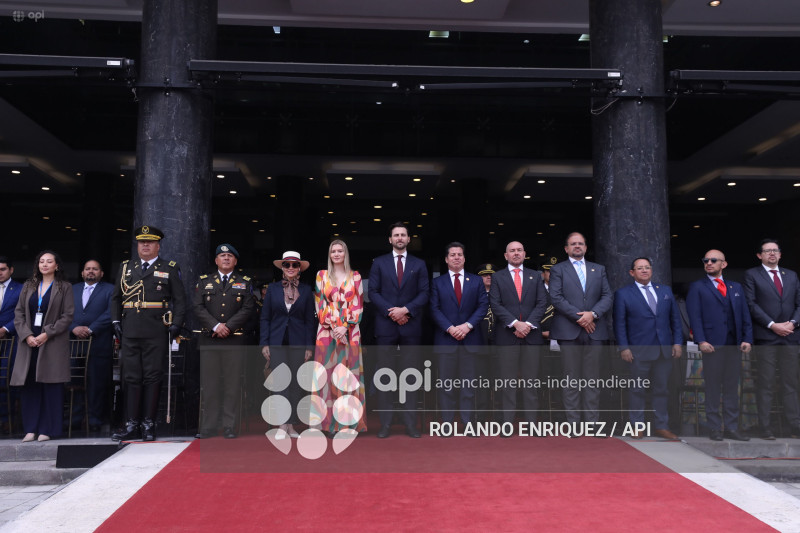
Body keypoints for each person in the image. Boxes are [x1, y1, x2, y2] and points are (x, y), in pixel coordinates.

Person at [110, 225, 186, 442]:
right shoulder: (126, 267)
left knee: (153, 376)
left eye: (150, 242)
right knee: (131, 376)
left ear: (158, 245)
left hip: (156, 329)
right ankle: (131, 423)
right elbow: (116, 298)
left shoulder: (169, 267)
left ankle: (148, 423)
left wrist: (176, 324)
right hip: (130, 328)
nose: (145, 245)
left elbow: (180, 300)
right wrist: (115, 321)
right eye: (142, 242)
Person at [368, 222, 430, 439]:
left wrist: (406, 310)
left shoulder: (419, 264)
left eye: (403, 235)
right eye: (396, 235)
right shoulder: (379, 263)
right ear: (390, 239)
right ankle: (385, 424)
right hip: (386, 327)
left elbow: (424, 293)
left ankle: (410, 424)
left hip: (410, 327)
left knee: (410, 377)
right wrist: (392, 312)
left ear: (409, 239)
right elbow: (373, 292)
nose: (400, 238)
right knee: (385, 377)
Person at [686, 249, 753, 441]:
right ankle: (715, 427)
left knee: (732, 387)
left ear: (724, 264)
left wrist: (747, 338)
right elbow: (695, 316)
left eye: (713, 260)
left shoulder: (735, 287)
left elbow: (745, 315)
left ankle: (732, 427)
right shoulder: (697, 287)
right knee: (713, 387)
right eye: (705, 260)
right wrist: (701, 340)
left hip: (734, 344)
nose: (709, 263)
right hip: (711, 345)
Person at [613, 257, 683, 440]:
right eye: (640, 268)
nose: (644, 270)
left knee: (662, 389)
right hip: (638, 350)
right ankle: (637, 426)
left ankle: (662, 426)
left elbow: (675, 320)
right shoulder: (623, 294)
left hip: (663, 349)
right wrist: (624, 348)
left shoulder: (665, 291)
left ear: (652, 270)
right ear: (632, 272)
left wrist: (677, 343)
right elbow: (619, 324)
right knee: (637, 389)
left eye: (647, 267)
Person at [548, 232, 613, 426]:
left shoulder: (598, 269)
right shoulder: (558, 269)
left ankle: (592, 423)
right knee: (571, 379)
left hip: (594, 331)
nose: (577, 246)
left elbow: (607, 296)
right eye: (573, 244)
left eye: (580, 243)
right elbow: (556, 297)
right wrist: (582, 317)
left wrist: (593, 314)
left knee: (592, 379)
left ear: (585, 247)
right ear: (566, 248)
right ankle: (573, 423)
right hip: (568, 331)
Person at [11, 251, 74, 442]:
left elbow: (68, 316)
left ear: (57, 266)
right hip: (29, 342)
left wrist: (47, 333)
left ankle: (48, 429)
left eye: (49, 261)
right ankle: (31, 428)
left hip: (51, 341)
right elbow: (19, 313)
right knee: (30, 385)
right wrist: (27, 335)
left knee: (51, 385)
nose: (44, 264)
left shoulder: (64, 287)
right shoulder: (28, 285)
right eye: (41, 261)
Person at [194, 244, 256, 439]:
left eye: (230, 256)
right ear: (216, 260)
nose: (226, 258)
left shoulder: (244, 282)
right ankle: (209, 426)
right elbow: (197, 307)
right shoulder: (204, 281)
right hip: (209, 340)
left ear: (235, 261)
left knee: (232, 385)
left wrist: (227, 326)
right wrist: (215, 326)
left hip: (234, 340)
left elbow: (248, 308)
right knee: (210, 385)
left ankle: (230, 426)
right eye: (222, 256)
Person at [743, 239, 800, 439]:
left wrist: (793, 323)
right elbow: (751, 304)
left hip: (790, 336)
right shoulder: (752, 275)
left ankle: (794, 426)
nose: (772, 254)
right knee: (765, 383)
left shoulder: (791, 275)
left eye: (775, 250)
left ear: (780, 254)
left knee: (790, 382)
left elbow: (799, 304)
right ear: (760, 255)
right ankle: (765, 427)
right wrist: (772, 325)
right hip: (767, 336)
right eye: (767, 251)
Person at [488, 241, 547, 425]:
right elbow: (495, 304)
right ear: (506, 255)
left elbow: (542, 303)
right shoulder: (497, 277)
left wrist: (527, 325)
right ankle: (508, 423)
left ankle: (532, 423)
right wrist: (515, 324)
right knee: (508, 383)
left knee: (531, 382)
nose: (516, 253)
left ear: (524, 253)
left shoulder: (535, 276)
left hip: (531, 335)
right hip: (507, 336)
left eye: (519, 250)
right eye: (512, 251)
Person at [430, 243, 488, 427]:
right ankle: (447, 424)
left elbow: (482, 306)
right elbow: (434, 309)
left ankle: (468, 423)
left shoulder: (476, 281)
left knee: (468, 386)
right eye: (453, 255)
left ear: (464, 258)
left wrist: (467, 326)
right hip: (446, 340)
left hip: (470, 339)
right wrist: (450, 328)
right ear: (446, 259)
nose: (456, 257)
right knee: (446, 385)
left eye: (460, 254)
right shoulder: (437, 282)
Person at [260, 251, 316, 438]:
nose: (290, 268)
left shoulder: (306, 290)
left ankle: (291, 426)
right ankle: (282, 425)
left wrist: (309, 347)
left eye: (294, 265)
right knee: (280, 383)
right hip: (277, 342)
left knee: (295, 385)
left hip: (298, 343)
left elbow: (310, 321)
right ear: (282, 268)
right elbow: (265, 318)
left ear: (299, 268)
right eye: (287, 264)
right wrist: (264, 343)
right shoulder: (272, 289)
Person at [314, 240, 367, 435]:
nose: (336, 254)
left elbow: (358, 305)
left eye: (340, 251)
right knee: (326, 376)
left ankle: (347, 423)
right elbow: (319, 304)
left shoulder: (356, 276)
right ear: (329, 254)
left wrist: (344, 326)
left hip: (350, 332)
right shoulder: (321, 275)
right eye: (333, 251)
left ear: (345, 254)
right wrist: (335, 326)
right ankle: (327, 424)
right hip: (326, 331)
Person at [70, 259, 114, 432]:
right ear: (82, 273)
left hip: (98, 344)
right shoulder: (72, 289)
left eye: (95, 269)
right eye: (87, 268)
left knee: (97, 384)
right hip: (74, 345)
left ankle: (94, 420)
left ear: (101, 273)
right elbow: (63, 313)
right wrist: (73, 328)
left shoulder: (110, 289)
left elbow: (111, 313)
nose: (90, 271)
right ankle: (75, 419)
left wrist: (91, 328)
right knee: (74, 383)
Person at [0, 256, 23, 429]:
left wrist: (5, 329)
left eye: (2, 269)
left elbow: (23, 314)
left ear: (11, 270)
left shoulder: (20, 289)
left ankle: (7, 420)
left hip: (11, 340)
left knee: (7, 380)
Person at [475, 262, 496, 421]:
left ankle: (498, 415)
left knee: (499, 380)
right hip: (479, 342)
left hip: (498, 343)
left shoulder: (501, 294)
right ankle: (481, 415)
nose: (488, 277)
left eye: (491, 275)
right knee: (481, 380)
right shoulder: (474, 295)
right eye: (484, 275)